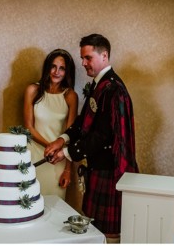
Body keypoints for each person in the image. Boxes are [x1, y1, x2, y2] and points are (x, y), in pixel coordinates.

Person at [44, 34, 138, 240]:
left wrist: (67, 153)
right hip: (99, 168)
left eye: (88, 58)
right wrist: (61, 140)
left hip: (111, 171)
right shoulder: (99, 85)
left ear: (104, 55)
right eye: (82, 58)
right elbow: (83, 122)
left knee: (107, 235)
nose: (83, 63)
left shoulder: (113, 89)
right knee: (95, 231)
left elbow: (103, 135)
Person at [23, 49, 79, 199]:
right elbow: (28, 127)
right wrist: (50, 146)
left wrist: (68, 169)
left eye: (62, 68)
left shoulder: (70, 96)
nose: (56, 72)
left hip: (58, 160)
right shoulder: (32, 90)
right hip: (34, 156)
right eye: (53, 66)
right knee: (29, 204)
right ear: (47, 67)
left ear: (67, 72)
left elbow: (71, 134)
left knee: (55, 207)